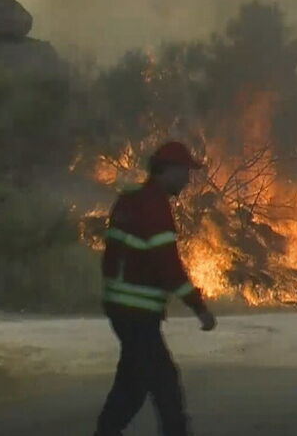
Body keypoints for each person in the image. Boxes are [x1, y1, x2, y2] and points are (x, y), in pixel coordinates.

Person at [94, 141, 217, 436]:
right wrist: (198, 307)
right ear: (169, 171)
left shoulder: (129, 200)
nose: (188, 179)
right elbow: (168, 266)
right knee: (165, 385)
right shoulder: (154, 207)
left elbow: (113, 256)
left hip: (121, 307)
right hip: (137, 313)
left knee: (133, 384)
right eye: (185, 172)